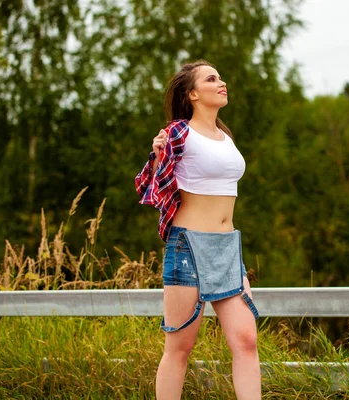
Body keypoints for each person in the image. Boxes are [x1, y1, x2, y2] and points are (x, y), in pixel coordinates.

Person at [135, 60, 261, 400]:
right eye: (211, 79)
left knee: (246, 340)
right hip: (189, 246)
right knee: (179, 347)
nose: (221, 83)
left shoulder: (224, 135)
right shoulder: (179, 132)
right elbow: (149, 186)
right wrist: (157, 153)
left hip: (227, 248)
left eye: (220, 77)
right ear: (192, 93)